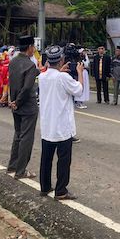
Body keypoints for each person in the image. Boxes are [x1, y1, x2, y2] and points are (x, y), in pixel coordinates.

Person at [38, 45, 84, 201]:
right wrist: (80, 72)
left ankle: (45, 187)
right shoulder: (64, 77)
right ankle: (61, 190)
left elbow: (51, 75)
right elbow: (78, 90)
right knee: (64, 160)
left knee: (46, 158)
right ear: (62, 60)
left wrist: (59, 70)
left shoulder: (42, 76)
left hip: (47, 125)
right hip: (62, 126)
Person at [7, 36, 40, 179]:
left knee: (18, 135)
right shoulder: (30, 65)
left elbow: (12, 82)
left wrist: (13, 101)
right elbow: (27, 88)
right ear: (30, 47)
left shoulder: (13, 62)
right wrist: (19, 101)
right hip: (27, 105)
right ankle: (21, 171)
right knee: (27, 137)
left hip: (15, 104)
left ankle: (12, 166)